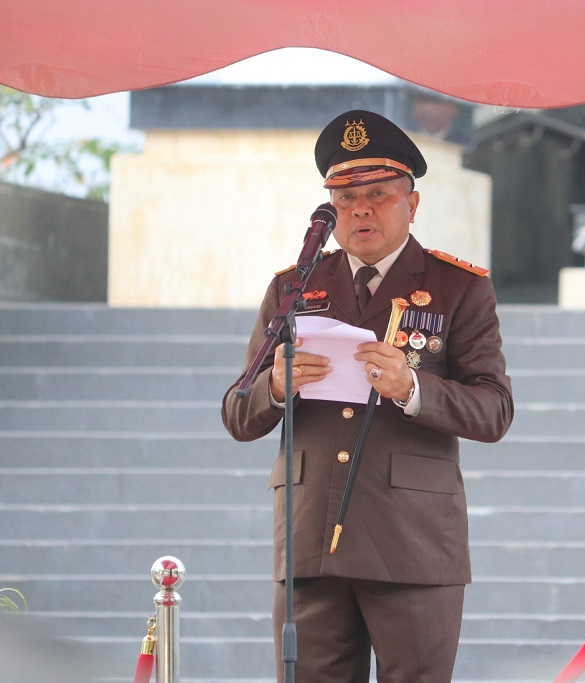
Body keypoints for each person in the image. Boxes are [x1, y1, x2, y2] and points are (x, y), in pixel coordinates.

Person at [222, 109, 514, 682]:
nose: (360, 209)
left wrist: (413, 388)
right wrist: (276, 388)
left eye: (378, 194)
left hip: (412, 542)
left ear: (412, 203)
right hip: (309, 541)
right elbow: (237, 409)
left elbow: (494, 409)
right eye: (345, 197)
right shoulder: (293, 287)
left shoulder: (459, 288)